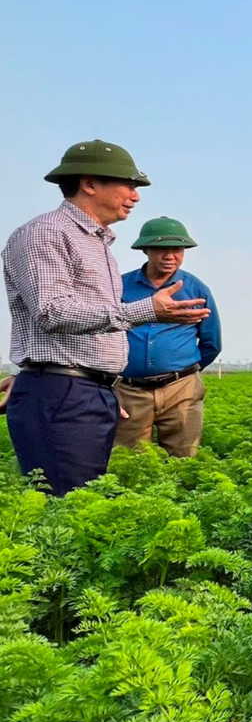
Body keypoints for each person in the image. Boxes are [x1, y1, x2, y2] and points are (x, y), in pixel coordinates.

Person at [2, 140, 210, 495]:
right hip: (63, 394)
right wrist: (147, 310)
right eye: (128, 184)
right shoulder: (46, 233)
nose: (135, 195)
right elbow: (51, 311)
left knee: (88, 500)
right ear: (89, 183)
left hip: (85, 391)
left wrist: (104, 387)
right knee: (69, 505)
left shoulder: (96, 243)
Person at [115, 217, 222, 457]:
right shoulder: (119, 287)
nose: (169, 255)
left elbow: (211, 343)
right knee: (130, 461)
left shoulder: (196, 289)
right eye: (161, 249)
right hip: (129, 390)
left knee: (183, 459)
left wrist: (182, 370)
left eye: (177, 249)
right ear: (145, 250)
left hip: (181, 388)